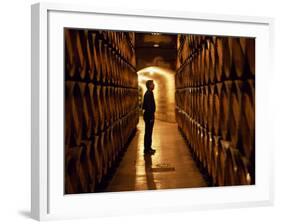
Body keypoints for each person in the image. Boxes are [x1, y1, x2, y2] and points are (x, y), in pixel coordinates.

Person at [142, 80, 156, 154]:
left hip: (149, 115)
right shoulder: (148, 94)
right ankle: (146, 149)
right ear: (149, 85)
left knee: (149, 132)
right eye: (152, 84)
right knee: (148, 132)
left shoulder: (150, 93)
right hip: (148, 115)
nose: (154, 85)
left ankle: (149, 147)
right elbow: (148, 106)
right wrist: (151, 117)